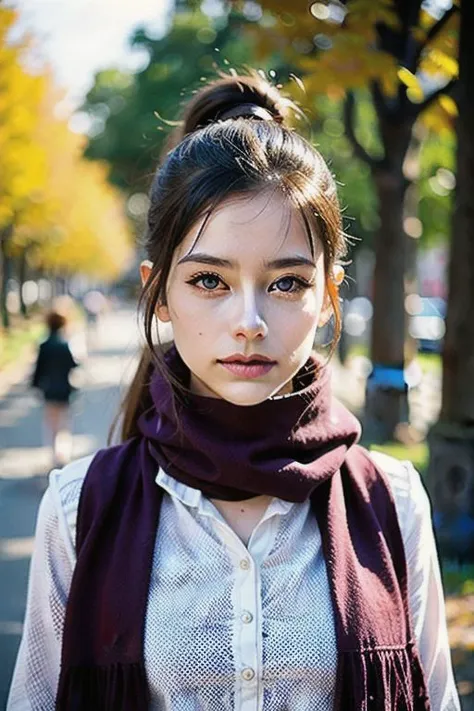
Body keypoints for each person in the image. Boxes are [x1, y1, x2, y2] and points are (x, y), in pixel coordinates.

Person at [8, 74, 460, 711]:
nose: (248, 322)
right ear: (158, 292)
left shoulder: (393, 500)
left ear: (328, 297)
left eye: (284, 284)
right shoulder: (78, 507)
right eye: (210, 281)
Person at [30, 309, 79, 468]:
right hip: (64, 389)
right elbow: (73, 365)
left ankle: (53, 455)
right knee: (64, 423)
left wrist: (35, 385)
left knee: (51, 424)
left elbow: (39, 370)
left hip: (49, 389)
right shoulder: (65, 344)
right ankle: (62, 454)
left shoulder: (44, 345)